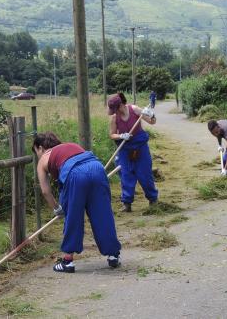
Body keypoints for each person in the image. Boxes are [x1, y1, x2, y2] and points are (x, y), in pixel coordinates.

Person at [33, 132, 121, 273]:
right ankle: (113, 255)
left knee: (73, 217)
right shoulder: (71, 145)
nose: (37, 155)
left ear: (40, 148)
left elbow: (45, 191)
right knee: (103, 215)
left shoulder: (43, 158)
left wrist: (56, 208)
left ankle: (67, 261)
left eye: (36, 151)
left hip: (75, 174)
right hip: (97, 168)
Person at [108, 92, 158, 212]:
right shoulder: (114, 118)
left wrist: (151, 115)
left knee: (144, 173)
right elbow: (112, 135)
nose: (114, 112)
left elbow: (153, 122)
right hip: (125, 148)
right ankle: (127, 203)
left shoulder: (135, 110)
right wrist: (121, 135)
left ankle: (153, 199)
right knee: (126, 174)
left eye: (115, 109)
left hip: (140, 146)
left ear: (120, 105)